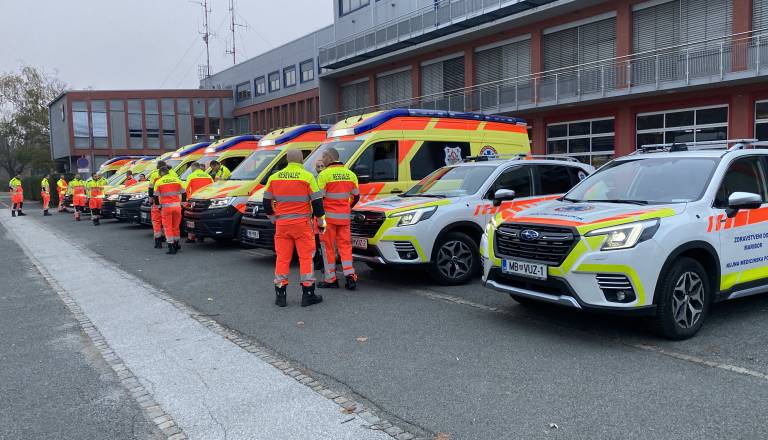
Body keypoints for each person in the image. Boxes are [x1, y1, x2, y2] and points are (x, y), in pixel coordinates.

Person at [263, 149, 326, 308]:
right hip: (303, 226)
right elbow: (317, 204)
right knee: (305, 258)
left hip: (282, 226)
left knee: (282, 258)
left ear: (287, 160)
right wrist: (321, 223)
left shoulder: (274, 177)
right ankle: (308, 294)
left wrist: (273, 218)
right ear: (302, 160)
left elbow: (266, 203)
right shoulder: (308, 177)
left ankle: (280, 295)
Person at [316, 148, 360, 290]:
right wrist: (346, 207)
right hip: (344, 218)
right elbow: (356, 196)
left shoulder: (324, 175)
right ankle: (350, 276)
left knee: (328, 248)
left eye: (323, 157)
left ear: (330, 157)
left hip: (327, 219)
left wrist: (317, 217)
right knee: (345, 247)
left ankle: (331, 280)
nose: (322, 160)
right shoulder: (350, 174)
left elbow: (318, 199)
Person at [153, 166, 185, 255]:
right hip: (177, 207)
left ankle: (171, 247)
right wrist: (182, 204)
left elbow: (155, 196)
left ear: (162, 173)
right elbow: (184, 193)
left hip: (166, 207)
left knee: (168, 227)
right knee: (176, 226)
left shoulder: (159, 182)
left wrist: (159, 206)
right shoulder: (177, 179)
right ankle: (177, 244)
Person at [183, 162, 214, 243]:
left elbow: (186, 189)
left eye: (191, 168)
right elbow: (213, 188)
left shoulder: (191, 176)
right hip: (206, 201)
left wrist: (188, 199)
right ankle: (201, 236)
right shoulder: (208, 176)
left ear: (193, 167)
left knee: (192, 219)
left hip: (195, 201)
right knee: (202, 218)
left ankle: (191, 238)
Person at [148, 161, 170, 248]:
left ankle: (158, 242)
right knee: (168, 221)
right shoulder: (173, 174)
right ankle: (170, 240)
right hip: (170, 202)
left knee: (156, 221)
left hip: (158, 201)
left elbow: (151, 188)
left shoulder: (154, 174)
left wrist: (151, 199)